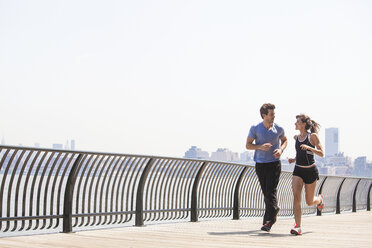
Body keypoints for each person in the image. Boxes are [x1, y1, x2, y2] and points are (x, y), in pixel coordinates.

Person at [246, 103, 288, 232]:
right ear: (264, 115)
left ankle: (270, 218)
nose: (273, 116)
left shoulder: (279, 128)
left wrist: (281, 150)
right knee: (266, 193)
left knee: (270, 190)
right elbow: (248, 145)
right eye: (271, 114)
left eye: (274, 114)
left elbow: (285, 140)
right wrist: (260, 147)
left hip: (274, 164)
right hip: (260, 164)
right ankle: (270, 217)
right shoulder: (255, 128)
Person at [288, 114, 325, 235]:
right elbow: (300, 153)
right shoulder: (296, 137)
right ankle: (297, 226)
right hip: (298, 170)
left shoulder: (312, 136)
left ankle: (319, 200)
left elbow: (321, 153)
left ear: (303, 124)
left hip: (310, 171)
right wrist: (294, 159)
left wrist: (309, 148)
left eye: (297, 122)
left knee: (309, 201)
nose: (295, 123)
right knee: (296, 197)